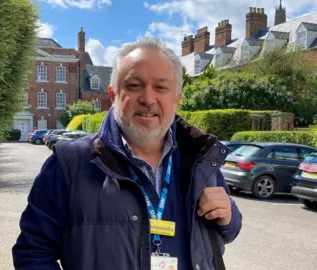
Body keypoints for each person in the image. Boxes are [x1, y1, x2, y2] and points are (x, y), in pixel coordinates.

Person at [12, 37, 242, 270]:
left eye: (160, 87)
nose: (148, 99)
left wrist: (229, 217)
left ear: (176, 100)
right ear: (113, 96)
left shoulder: (200, 159)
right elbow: (33, 253)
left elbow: (225, 232)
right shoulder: (68, 164)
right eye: (134, 85)